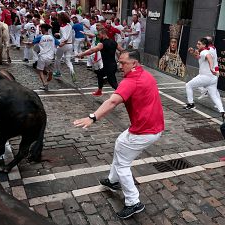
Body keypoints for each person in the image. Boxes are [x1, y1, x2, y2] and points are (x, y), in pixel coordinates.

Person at [73, 49, 164, 219]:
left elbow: (113, 101)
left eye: (123, 63)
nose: (119, 66)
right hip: (152, 127)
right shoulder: (146, 75)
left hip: (144, 131)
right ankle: (113, 180)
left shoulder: (131, 81)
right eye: (119, 62)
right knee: (120, 143)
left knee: (123, 164)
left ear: (134, 63)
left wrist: (92, 117)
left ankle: (133, 202)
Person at [184, 38, 225, 119]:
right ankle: (222, 112)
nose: (197, 45)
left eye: (199, 44)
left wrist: (211, 68)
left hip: (205, 76)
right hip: (213, 78)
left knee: (188, 85)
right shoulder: (211, 49)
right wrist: (193, 53)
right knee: (214, 95)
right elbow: (200, 57)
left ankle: (191, 104)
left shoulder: (205, 51)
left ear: (204, 45)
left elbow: (208, 57)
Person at [77, 28, 123, 96]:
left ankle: (125, 95)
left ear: (103, 34)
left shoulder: (102, 44)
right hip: (112, 65)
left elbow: (91, 51)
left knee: (113, 84)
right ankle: (99, 90)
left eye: (99, 35)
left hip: (109, 67)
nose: (98, 37)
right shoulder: (114, 42)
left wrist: (81, 54)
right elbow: (122, 50)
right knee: (99, 73)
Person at [30, 24, 59, 91]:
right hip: (51, 57)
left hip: (42, 57)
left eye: (41, 29)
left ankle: (45, 84)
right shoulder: (52, 37)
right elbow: (59, 44)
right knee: (47, 68)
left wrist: (25, 43)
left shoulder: (40, 37)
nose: (40, 30)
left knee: (40, 71)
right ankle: (50, 73)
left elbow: (32, 43)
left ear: (43, 29)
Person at [53, 12, 76, 82]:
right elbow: (68, 34)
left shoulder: (62, 27)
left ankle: (58, 72)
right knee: (68, 60)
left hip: (63, 45)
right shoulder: (69, 25)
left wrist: (58, 41)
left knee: (57, 58)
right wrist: (59, 33)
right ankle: (72, 71)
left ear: (61, 19)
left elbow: (65, 37)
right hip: (70, 45)